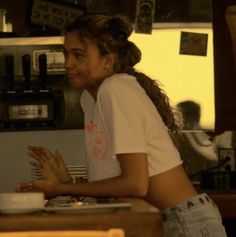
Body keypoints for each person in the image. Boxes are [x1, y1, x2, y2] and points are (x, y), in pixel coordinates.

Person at [15, 13, 227, 236]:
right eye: (66, 54)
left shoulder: (115, 90)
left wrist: (60, 189)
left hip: (183, 222)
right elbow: (117, 186)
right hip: (161, 219)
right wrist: (69, 183)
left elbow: (135, 184)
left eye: (79, 55)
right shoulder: (90, 99)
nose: (68, 64)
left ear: (108, 60)